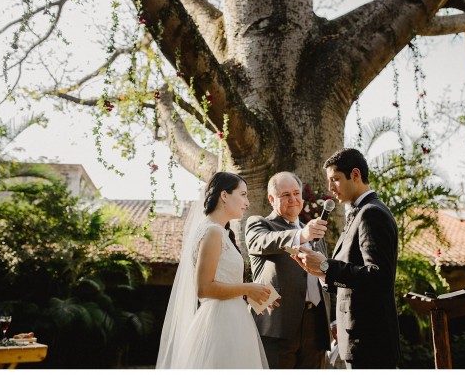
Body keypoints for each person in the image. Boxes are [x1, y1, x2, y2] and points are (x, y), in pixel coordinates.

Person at [156, 172, 279, 369]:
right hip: (220, 325)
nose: (247, 202)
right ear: (224, 196)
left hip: (233, 319)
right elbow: (204, 288)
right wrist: (248, 288)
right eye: (243, 194)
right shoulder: (212, 232)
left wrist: (253, 294)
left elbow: (224, 282)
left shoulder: (219, 231)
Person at [292, 148, 401, 369]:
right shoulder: (359, 213)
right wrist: (322, 272)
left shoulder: (372, 213)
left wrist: (325, 265)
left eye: (335, 180)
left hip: (371, 342)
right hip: (357, 338)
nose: (330, 188)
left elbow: (379, 277)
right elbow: (353, 279)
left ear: (356, 174)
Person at [245, 172, 332, 368]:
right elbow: (264, 242)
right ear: (271, 198)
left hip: (315, 326)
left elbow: (323, 276)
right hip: (277, 327)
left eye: (296, 193)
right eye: (285, 195)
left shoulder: (314, 233)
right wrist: (302, 234)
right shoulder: (260, 224)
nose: (293, 199)